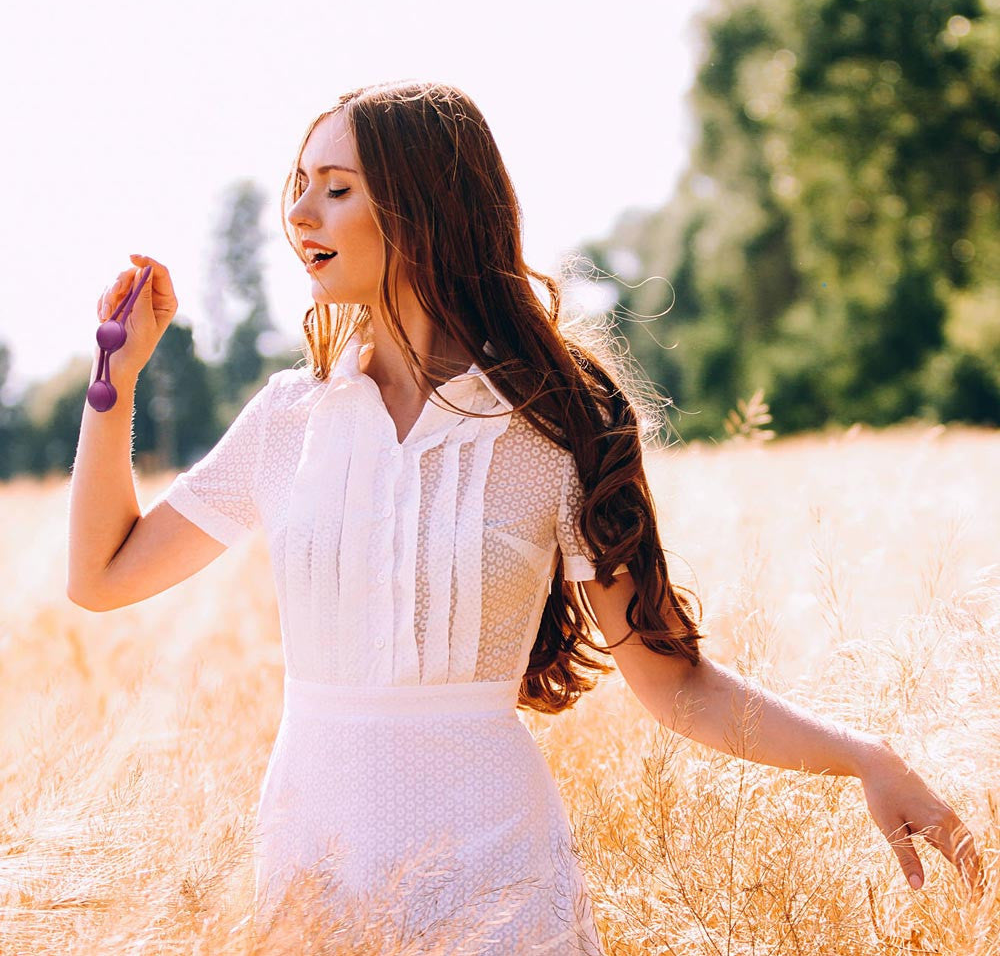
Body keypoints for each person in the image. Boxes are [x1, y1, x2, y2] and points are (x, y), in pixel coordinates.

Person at [68, 79, 982, 953]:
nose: (301, 215)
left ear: (425, 208)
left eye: (336, 188)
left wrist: (864, 756)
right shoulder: (288, 419)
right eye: (297, 188)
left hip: (498, 884)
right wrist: (117, 380)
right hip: (314, 871)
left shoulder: (558, 425)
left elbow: (676, 685)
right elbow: (103, 576)